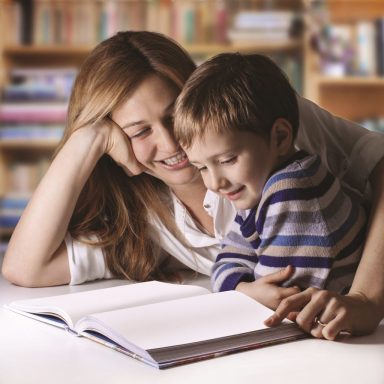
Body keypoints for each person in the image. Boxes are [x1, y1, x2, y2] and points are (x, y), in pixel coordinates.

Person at [1, 31, 384, 340]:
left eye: (173, 115)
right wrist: (88, 139)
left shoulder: (260, 121)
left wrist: (367, 298)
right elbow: (25, 268)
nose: (170, 144)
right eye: (139, 131)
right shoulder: (143, 218)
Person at [173, 52, 367, 312]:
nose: (215, 183)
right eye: (201, 168)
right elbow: (227, 259)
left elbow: (281, 301)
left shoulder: (294, 190)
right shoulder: (257, 189)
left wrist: (242, 292)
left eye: (228, 159)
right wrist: (244, 289)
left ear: (280, 137)